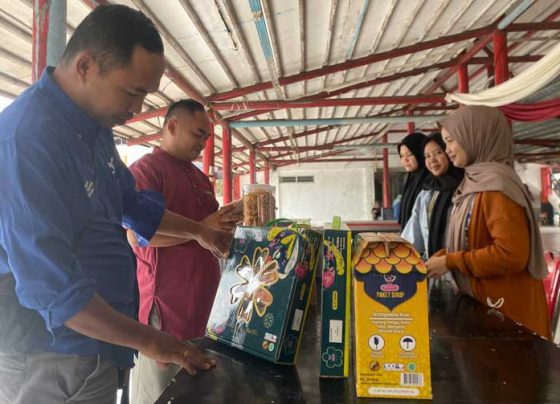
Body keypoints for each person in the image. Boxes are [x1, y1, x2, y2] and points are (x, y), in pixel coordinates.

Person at [0, 5, 231, 403]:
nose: (138, 110)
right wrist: (154, 341)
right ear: (86, 66)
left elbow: (132, 204)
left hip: (99, 343)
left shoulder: (94, 130)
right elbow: (54, 288)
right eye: (132, 92)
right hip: (50, 353)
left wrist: (199, 231)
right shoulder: (28, 141)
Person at [127, 99, 243, 403]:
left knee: (197, 393)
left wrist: (228, 223)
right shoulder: (147, 170)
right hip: (166, 311)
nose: (203, 144)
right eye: (197, 134)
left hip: (204, 311)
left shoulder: (199, 178)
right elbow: (138, 237)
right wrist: (201, 229)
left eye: (206, 138)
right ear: (173, 126)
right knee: (162, 394)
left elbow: (209, 234)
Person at [426, 105, 550, 338]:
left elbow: (511, 254)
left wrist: (452, 262)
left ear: (475, 136)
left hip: (510, 317)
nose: (447, 150)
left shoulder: (497, 187)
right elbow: (473, 238)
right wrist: (445, 256)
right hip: (487, 308)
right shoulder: (474, 183)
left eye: (451, 141)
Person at [402, 133, 464, 259]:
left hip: (460, 265)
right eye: (427, 156)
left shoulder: (466, 188)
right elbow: (414, 234)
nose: (432, 160)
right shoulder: (427, 193)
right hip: (434, 267)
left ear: (449, 152)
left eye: (438, 153)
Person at [397, 132, 429, 229]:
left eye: (409, 154)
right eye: (402, 156)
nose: (405, 160)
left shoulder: (430, 181)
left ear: (421, 153)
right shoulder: (411, 181)